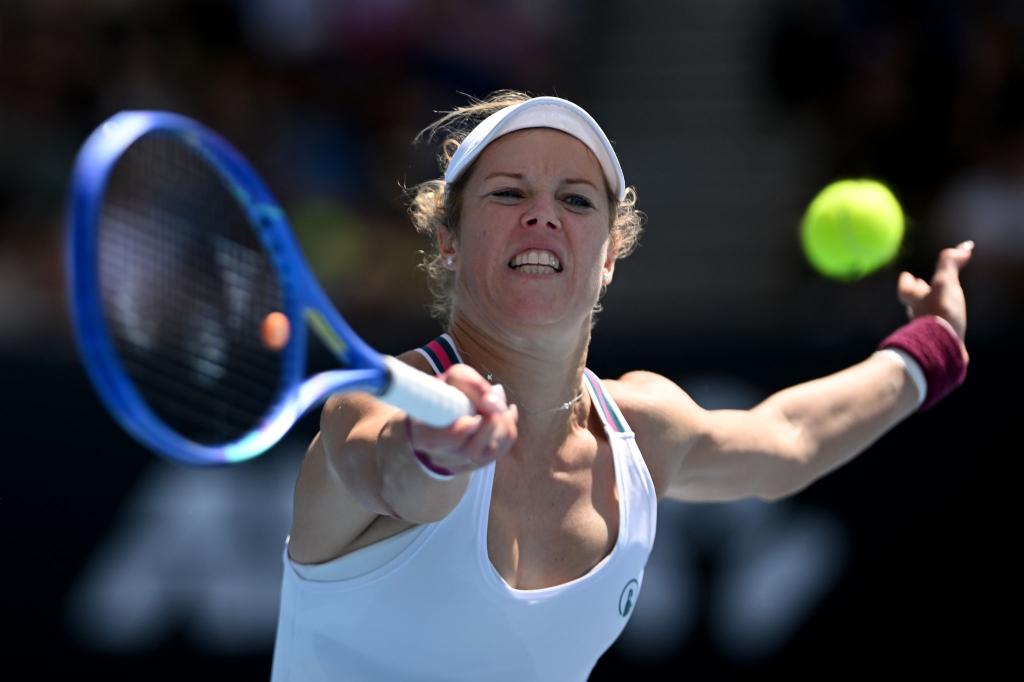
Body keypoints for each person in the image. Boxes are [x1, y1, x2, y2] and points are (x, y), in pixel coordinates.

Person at [270, 91, 972, 681]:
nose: (542, 214)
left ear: (609, 255)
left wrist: (931, 347)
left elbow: (788, 439)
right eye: (508, 193)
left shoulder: (643, 428)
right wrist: (434, 453)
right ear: (449, 241)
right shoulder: (371, 406)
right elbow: (389, 471)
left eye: (575, 200)